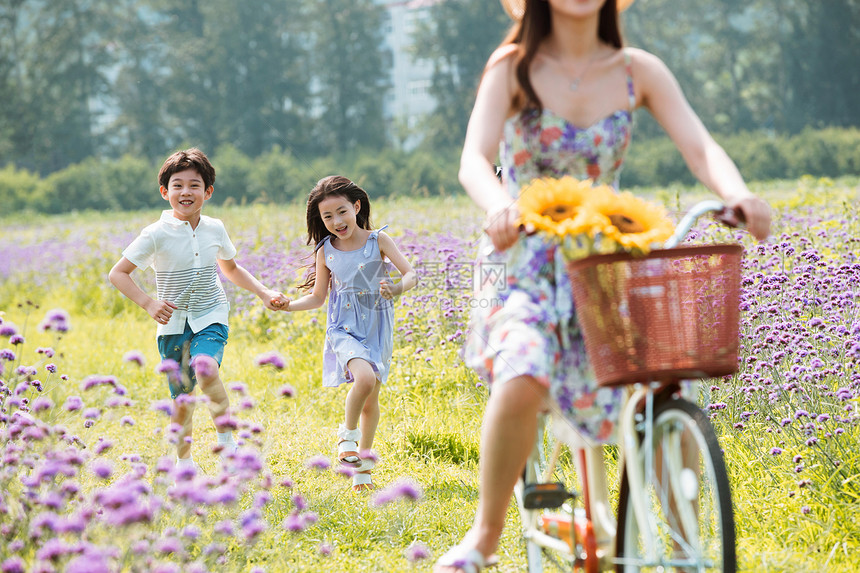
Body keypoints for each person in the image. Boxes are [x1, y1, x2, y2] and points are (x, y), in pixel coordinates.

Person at [434, 0, 772, 571]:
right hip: (533, 265)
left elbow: (700, 147)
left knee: (665, 389)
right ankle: (485, 536)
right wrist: (499, 206)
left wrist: (736, 192)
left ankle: (684, 543)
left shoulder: (638, 70)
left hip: (612, 268)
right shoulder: (513, 67)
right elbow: (474, 157)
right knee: (521, 372)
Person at [109, 147, 287, 474]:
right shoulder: (155, 234)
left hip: (210, 314)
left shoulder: (215, 228)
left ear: (208, 192)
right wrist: (149, 302)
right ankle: (184, 465)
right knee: (183, 401)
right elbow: (118, 273)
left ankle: (229, 446)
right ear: (165, 192)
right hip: (173, 326)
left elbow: (230, 269)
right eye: (177, 185)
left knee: (205, 367)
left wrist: (263, 292)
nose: (186, 192)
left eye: (194, 185)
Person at [283, 175, 418, 491]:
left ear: (356, 206)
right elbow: (318, 298)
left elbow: (411, 274)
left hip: (376, 326)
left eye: (341, 211)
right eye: (327, 216)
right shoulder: (326, 250)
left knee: (371, 401)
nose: (336, 221)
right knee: (365, 378)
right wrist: (287, 305)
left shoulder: (378, 241)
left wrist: (396, 288)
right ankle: (346, 439)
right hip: (343, 328)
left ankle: (363, 471)